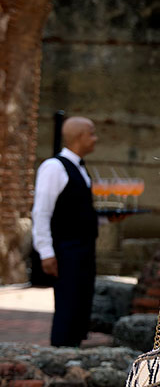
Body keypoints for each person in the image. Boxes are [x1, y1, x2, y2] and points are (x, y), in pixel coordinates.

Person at [31, 116, 99, 347]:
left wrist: (106, 220)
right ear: (79, 137)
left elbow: (76, 212)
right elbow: (41, 212)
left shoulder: (81, 169)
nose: (95, 139)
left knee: (81, 304)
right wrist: (46, 252)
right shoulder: (53, 167)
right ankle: (60, 354)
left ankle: (74, 352)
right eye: (92, 133)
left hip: (84, 247)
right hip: (66, 249)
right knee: (67, 305)